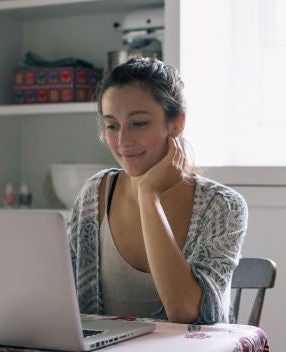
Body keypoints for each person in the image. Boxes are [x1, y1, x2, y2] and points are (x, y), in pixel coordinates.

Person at [67, 58, 248, 324]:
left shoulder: (223, 206)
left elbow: (187, 313)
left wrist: (148, 196)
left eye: (139, 123)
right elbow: (62, 301)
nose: (123, 141)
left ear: (176, 124)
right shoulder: (94, 194)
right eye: (112, 125)